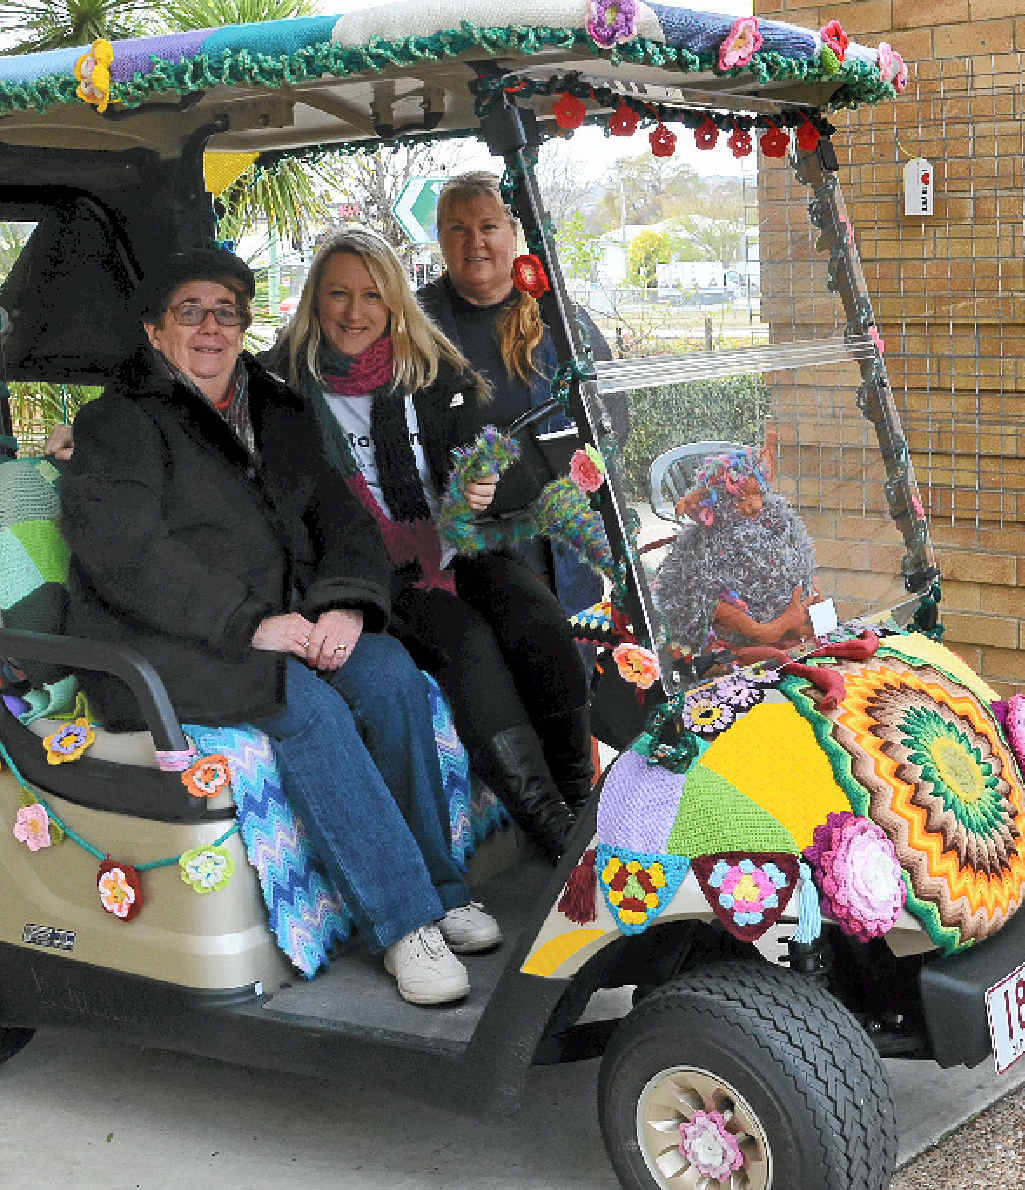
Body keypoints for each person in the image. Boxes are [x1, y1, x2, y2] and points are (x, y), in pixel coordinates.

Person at [59, 246, 500, 1007]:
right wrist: (251, 624)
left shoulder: (276, 410)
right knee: (310, 708)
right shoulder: (117, 424)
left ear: (243, 325)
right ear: (155, 329)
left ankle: (440, 886)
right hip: (167, 642)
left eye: (225, 312)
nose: (209, 328)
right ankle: (403, 925)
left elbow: (341, 515)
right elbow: (127, 554)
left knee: (391, 672)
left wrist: (344, 604)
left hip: (284, 622)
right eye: (189, 312)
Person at [263, 227, 590, 865]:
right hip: (367, 572)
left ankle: (582, 807)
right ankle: (554, 835)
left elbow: (494, 457)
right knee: (467, 642)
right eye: (338, 295)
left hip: (456, 546)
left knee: (539, 618)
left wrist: (484, 482)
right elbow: (198, 408)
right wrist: (76, 435)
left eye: (372, 296)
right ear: (314, 301)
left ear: (394, 305)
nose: (355, 313)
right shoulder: (279, 387)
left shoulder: (431, 372)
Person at [419, 170, 617, 624]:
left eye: (488, 226)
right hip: (465, 554)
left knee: (575, 661)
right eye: (458, 228)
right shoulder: (415, 323)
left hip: (559, 549)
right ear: (442, 238)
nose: (475, 242)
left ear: (513, 232)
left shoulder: (559, 319)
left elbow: (611, 422)